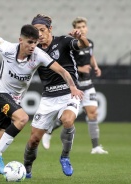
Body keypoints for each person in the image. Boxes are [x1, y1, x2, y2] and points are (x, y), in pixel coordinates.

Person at [0, 24, 83, 180]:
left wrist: (73, 87)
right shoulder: (7, 48)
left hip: (14, 99)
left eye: (35, 42)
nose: (33, 46)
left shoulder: (39, 55)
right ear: (20, 40)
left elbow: (61, 70)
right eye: (29, 42)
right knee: (22, 118)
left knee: (1, 137)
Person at [23, 14, 90, 178]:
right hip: (48, 98)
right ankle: (27, 169)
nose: (39, 34)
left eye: (42, 30)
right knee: (33, 141)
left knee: (67, 120)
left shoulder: (64, 42)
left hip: (70, 92)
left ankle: (65, 157)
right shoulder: (34, 51)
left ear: (50, 29)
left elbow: (83, 46)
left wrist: (81, 38)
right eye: (35, 31)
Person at [41, 17, 108, 154]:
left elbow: (91, 55)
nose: (82, 29)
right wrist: (78, 70)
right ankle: (48, 131)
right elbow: (66, 62)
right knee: (67, 118)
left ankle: (95, 147)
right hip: (74, 86)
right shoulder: (72, 43)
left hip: (88, 83)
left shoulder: (90, 43)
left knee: (92, 113)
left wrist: (95, 66)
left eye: (84, 26)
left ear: (86, 28)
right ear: (74, 28)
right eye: (79, 27)